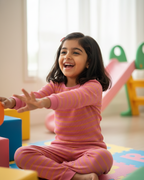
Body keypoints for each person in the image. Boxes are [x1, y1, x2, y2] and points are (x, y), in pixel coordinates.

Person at [0, 32, 113, 180]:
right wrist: (11, 102)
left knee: (104, 158)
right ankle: (75, 176)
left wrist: (45, 102)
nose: (67, 56)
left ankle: (54, 171)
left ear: (89, 62)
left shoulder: (93, 86)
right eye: (63, 52)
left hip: (89, 150)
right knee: (21, 154)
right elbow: (35, 96)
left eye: (75, 52)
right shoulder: (55, 85)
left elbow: (73, 98)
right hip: (59, 149)